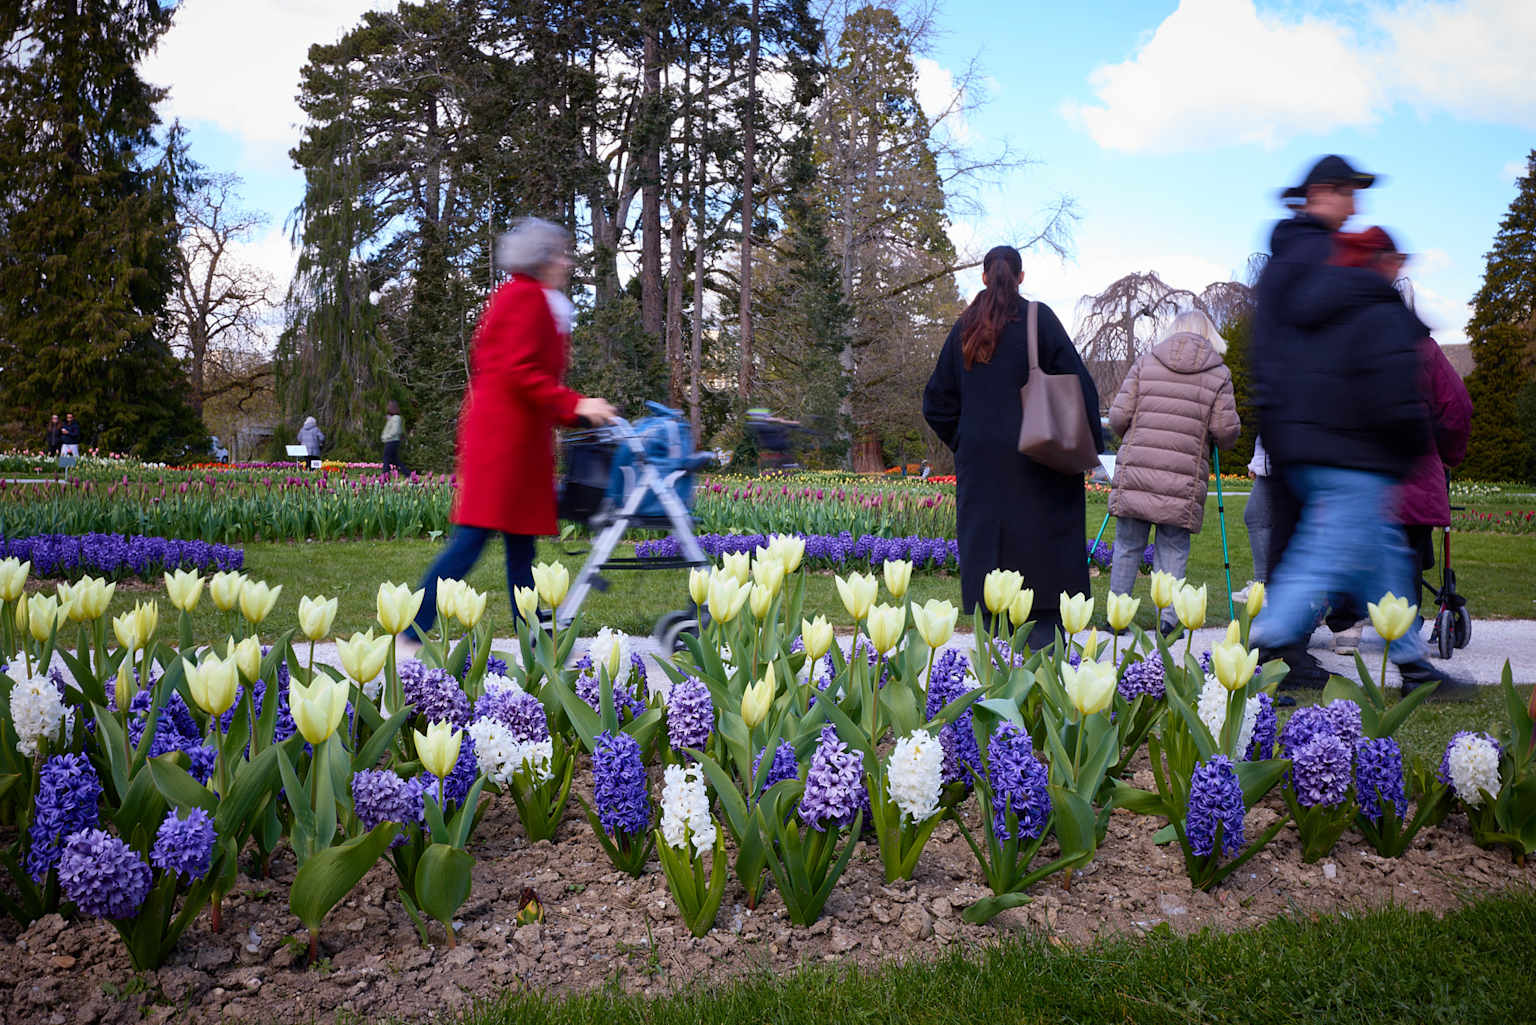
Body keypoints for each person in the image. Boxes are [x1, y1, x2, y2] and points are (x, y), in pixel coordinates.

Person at [1248, 215, 1475, 700]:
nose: (1400, 269)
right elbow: (1396, 393)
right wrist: (1414, 446)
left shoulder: (1321, 311)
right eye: (1395, 260)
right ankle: (1255, 654)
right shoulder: (1377, 308)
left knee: (1385, 561)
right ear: (1379, 262)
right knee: (1317, 562)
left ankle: (1414, 667)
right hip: (1357, 460)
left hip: (1318, 454)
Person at [402, 217, 615, 648]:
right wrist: (575, 404)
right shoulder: (525, 298)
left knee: (520, 547)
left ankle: (533, 640)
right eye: (561, 255)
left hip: (516, 443)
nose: (567, 262)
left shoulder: (532, 298)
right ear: (542, 259)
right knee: (472, 540)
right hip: (505, 446)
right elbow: (519, 371)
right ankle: (412, 630)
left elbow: (529, 377)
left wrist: (577, 412)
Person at [924, 244, 1103, 649]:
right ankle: (1044, 661)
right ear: (1021, 277)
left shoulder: (966, 328)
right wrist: (1087, 446)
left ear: (984, 277)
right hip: (1043, 462)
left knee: (993, 572)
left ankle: (996, 664)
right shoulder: (1040, 320)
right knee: (1045, 568)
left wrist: (967, 440)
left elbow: (936, 403)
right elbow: (1082, 390)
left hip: (984, 471)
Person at [1249, 154, 1375, 689]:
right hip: (1308, 424)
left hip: (1292, 423)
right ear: (1322, 192)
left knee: (1296, 539)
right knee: (1304, 539)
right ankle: (1280, 651)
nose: (1355, 207)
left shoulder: (1293, 252)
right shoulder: (1314, 253)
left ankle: (1281, 649)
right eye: (1349, 193)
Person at [1326, 227, 1474, 653]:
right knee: (1407, 553)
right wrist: (1448, 454)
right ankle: (1402, 628)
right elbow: (1457, 408)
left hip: (1355, 472)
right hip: (1411, 471)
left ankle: (1346, 626)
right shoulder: (1424, 351)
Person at [1106, 310, 1241, 634]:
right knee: (1173, 548)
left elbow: (1118, 417)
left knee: (1127, 545)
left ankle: (1117, 618)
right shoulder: (1218, 373)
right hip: (1183, 476)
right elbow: (1225, 432)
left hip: (1137, 470)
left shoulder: (1146, 362)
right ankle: (1167, 620)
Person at [1233, 435, 1272, 606]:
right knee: (1258, 518)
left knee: (1256, 517)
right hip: (1272, 464)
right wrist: (1257, 463)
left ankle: (1265, 585)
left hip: (1279, 464)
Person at [381, 400, 404, 475]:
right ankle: (408, 474)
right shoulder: (393, 418)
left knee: (386, 458)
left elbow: (395, 430)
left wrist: (386, 437)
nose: (388, 408)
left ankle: (385, 476)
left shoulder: (396, 418)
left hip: (392, 441)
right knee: (395, 460)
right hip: (391, 441)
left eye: (389, 406)